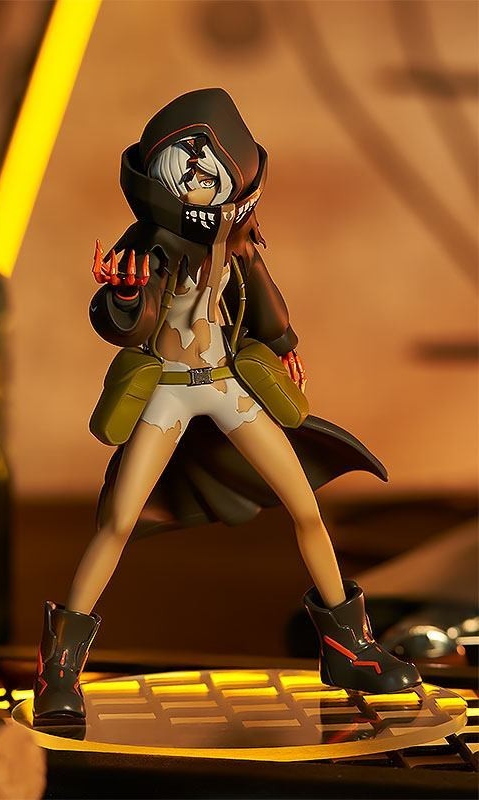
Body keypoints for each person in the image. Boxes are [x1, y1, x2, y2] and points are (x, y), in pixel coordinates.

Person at [33, 88, 420, 727]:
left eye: (206, 162)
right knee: (117, 521)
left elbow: (264, 300)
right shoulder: (149, 243)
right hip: (167, 391)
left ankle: (350, 648)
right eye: (183, 161)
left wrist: (284, 345)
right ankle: (59, 668)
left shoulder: (234, 239)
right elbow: (127, 320)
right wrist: (125, 298)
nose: (194, 174)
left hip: (225, 384)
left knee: (305, 505)